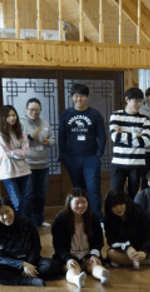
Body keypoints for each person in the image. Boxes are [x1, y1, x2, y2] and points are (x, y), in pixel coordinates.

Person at [0, 197, 61, 287]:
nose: (6, 216)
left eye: (8, 212)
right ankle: (28, 280)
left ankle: (20, 276)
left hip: (32, 262)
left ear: (13, 210)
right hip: (11, 265)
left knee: (53, 265)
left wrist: (30, 264)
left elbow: (36, 247)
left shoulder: (27, 223)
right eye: (1, 214)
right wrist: (22, 265)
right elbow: (0, 258)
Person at [59, 83, 107, 219]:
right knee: (78, 190)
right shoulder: (66, 114)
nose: (79, 99)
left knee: (93, 189)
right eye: (76, 96)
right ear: (72, 97)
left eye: (82, 96)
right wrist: (63, 155)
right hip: (71, 158)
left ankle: (97, 218)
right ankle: (82, 216)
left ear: (87, 97)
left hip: (91, 158)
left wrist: (99, 154)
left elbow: (102, 136)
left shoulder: (95, 114)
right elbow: (61, 136)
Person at [52, 188, 109, 287]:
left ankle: (102, 275)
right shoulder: (60, 219)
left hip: (88, 255)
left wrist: (94, 254)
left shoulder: (93, 218)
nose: (81, 206)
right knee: (71, 268)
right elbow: (58, 245)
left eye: (83, 202)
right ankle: (76, 279)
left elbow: (98, 241)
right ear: (69, 203)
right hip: (69, 256)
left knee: (95, 265)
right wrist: (68, 258)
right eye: (77, 203)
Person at [103, 189, 150, 268]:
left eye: (121, 203)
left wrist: (144, 252)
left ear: (126, 202)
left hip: (143, 245)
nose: (119, 208)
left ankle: (125, 262)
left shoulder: (138, 211)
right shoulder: (108, 219)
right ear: (109, 207)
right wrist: (127, 248)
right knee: (111, 254)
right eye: (114, 206)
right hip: (126, 250)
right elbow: (112, 241)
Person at [110, 87, 150, 199]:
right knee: (115, 194)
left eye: (141, 101)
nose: (139, 104)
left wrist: (123, 133)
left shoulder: (145, 119)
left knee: (133, 196)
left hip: (137, 163)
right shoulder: (116, 116)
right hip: (118, 162)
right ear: (127, 100)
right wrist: (137, 135)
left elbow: (145, 141)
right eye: (136, 101)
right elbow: (115, 137)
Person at [0, 105, 32, 218]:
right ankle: (17, 224)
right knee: (17, 202)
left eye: (13, 115)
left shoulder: (20, 132)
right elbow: (4, 153)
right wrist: (18, 152)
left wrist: (12, 152)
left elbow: (26, 152)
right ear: (3, 118)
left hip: (24, 170)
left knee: (27, 199)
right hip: (8, 171)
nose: (12, 118)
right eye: (8, 116)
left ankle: (25, 224)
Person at [21, 98, 55, 227]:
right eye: (31, 109)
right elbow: (17, 142)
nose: (34, 112)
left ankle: (39, 219)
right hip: (27, 165)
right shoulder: (21, 123)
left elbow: (52, 139)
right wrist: (32, 136)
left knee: (41, 194)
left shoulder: (45, 123)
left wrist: (48, 141)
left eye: (37, 109)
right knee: (28, 195)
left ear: (40, 110)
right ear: (26, 109)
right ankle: (26, 222)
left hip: (43, 164)